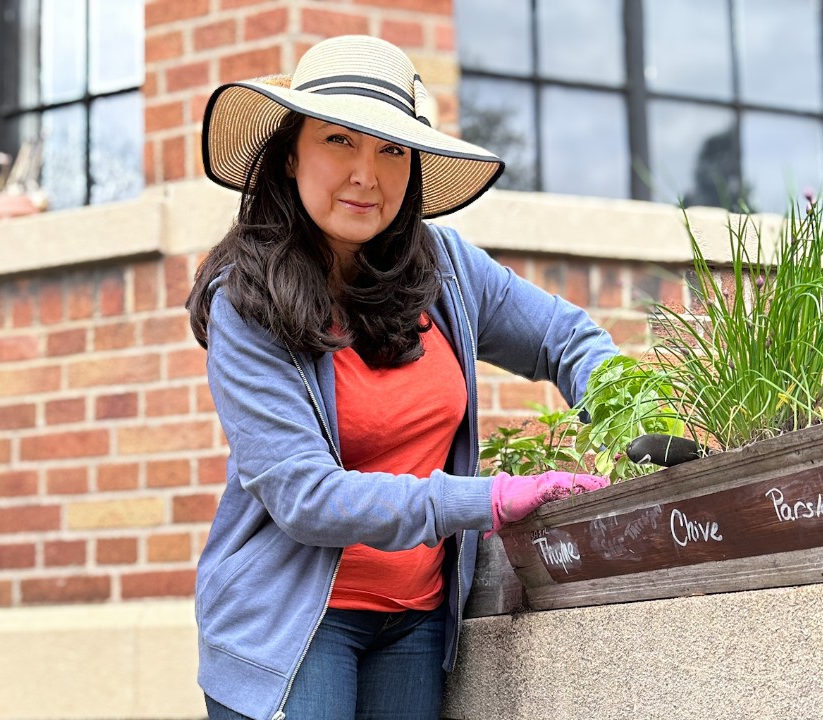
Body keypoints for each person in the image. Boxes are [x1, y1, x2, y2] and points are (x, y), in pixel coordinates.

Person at [186, 35, 619, 720]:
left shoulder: (443, 268)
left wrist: (635, 417)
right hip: (294, 627)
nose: (367, 174)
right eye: (339, 141)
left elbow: (566, 338)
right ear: (292, 151)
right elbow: (305, 497)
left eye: (391, 149)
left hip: (416, 622)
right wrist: (489, 499)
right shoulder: (246, 301)